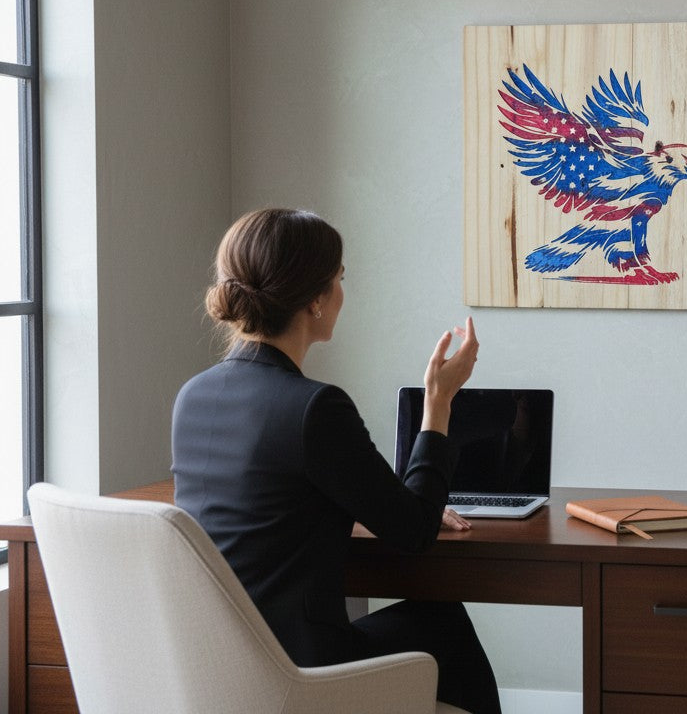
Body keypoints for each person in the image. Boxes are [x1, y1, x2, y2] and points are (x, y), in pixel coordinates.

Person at [170, 208, 501, 714]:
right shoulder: (314, 408)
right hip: (300, 675)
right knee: (444, 621)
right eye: (339, 280)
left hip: (219, 672)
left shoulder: (192, 397)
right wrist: (438, 405)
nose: (342, 294)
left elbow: (271, 507)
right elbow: (413, 532)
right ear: (316, 301)